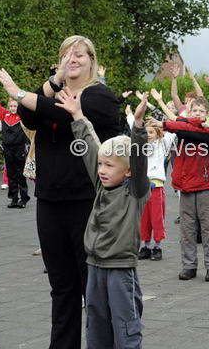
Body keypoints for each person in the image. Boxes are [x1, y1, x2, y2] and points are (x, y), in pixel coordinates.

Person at [0, 35, 120, 348]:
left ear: (92, 60)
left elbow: (61, 114)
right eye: (67, 55)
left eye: (79, 55)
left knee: (94, 288)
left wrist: (19, 92)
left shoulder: (100, 96)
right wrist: (53, 82)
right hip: (50, 200)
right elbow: (29, 116)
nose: (73, 60)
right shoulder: (54, 91)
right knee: (62, 287)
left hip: (88, 201)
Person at [56, 88, 149, 348]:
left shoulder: (135, 191)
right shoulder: (101, 186)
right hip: (94, 266)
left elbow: (139, 159)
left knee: (125, 327)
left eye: (109, 165)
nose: (102, 170)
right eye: (101, 165)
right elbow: (90, 146)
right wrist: (77, 115)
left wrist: (138, 126)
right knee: (96, 325)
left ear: (128, 171)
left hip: (120, 269)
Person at [149, 97, 209, 282]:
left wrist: (165, 124)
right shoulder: (183, 126)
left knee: (208, 228)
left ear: (207, 114)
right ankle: (189, 266)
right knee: (187, 230)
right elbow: (183, 125)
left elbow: (190, 130)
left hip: (204, 186)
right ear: (189, 113)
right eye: (194, 111)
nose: (197, 114)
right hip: (185, 187)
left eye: (201, 111)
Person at [125, 104, 176, 261]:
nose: (148, 135)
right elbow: (134, 126)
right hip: (142, 188)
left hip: (156, 188)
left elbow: (173, 128)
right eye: (146, 132)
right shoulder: (140, 146)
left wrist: (164, 113)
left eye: (151, 132)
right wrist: (130, 114)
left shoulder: (162, 144)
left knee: (157, 218)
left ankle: (157, 247)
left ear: (158, 133)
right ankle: (146, 246)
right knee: (143, 218)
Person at [0, 87, 30, 208]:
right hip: (8, 150)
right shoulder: (4, 115)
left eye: (15, 106)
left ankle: (24, 199)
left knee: (21, 175)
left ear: (19, 106)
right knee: (11, 175)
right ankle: (14, 199)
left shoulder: (23, 117)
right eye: (11, 106)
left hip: (19, 149)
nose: (12, 108)